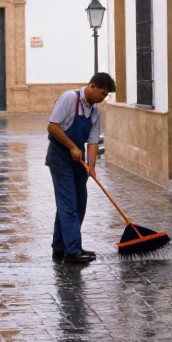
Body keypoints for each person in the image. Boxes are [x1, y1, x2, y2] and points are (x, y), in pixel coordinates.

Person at [46, 73, 116, 263]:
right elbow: (53, 126)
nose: (103, 98)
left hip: (79, 161)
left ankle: (60, 247)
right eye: (102, 94)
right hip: (60, 157)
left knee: (79, 203)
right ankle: (73, 251)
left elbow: (93, 141)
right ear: (92, 86)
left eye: (106, 95)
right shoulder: (70, 98)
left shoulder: (94, 112)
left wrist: (91, 167)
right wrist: (72, 146)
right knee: (68, 203)